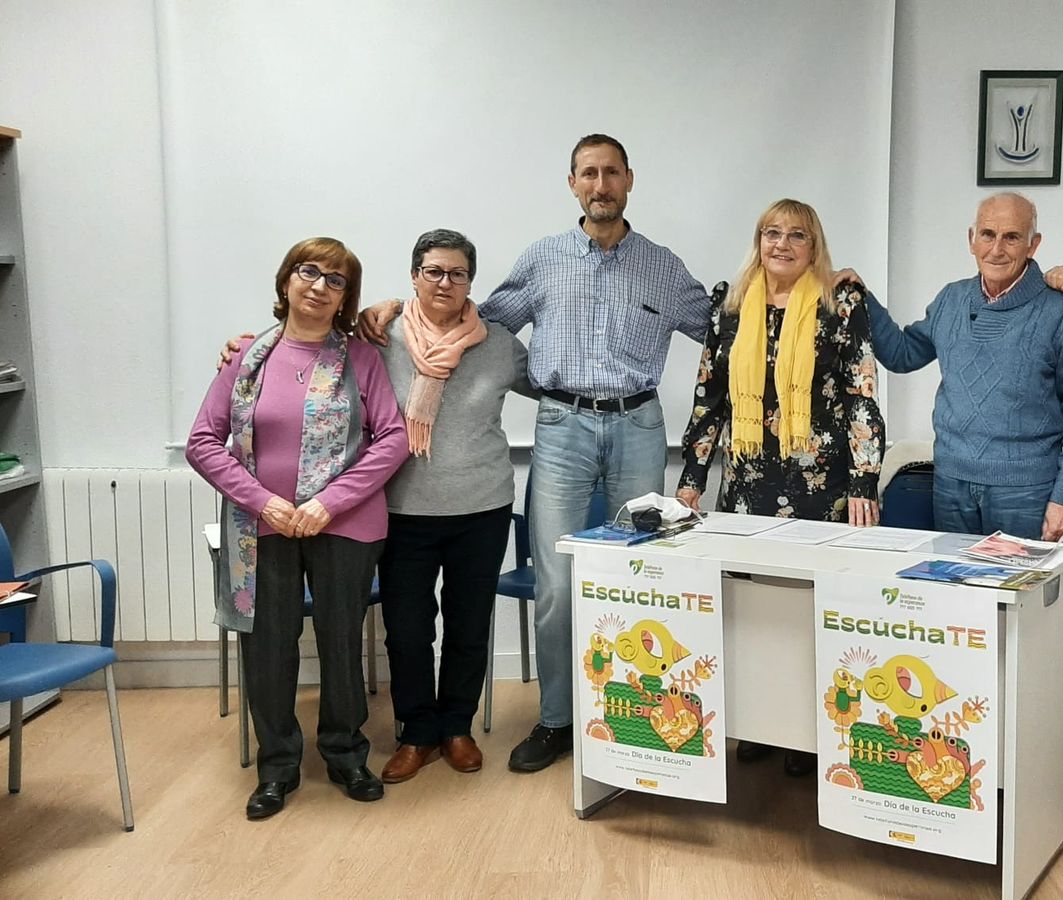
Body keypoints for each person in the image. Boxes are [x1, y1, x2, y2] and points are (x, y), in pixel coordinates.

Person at [358, 134, 713, 775]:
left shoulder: (661, 265)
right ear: (572, 183)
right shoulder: (544, 260)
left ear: (629, 180)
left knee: (640, 580)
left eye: (611, 173)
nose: (600, 185)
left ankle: (634, 721)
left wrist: (818, 295)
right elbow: (471, 322)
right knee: (555, 583)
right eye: (588, 174)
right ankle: (557, 721)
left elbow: (726, 328)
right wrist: (390, 307)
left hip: (638, 425)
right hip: (562, 427)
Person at [187, 237, 408, 820]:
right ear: (287, 280)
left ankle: (344, 754)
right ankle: (277, 766)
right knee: (269, 648)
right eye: (309, 271)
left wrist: (327, 503)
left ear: (345, 299)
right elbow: (203, 443)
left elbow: (393, 439)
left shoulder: (361, 358)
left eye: (335, 280)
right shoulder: (245, 357)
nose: (318, 285)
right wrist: (263, 502)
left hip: (345, 523)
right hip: (261, 528)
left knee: (340, 642)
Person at [675, 198, 885, 776]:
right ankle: (761, 723)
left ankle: (810, 736)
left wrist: (866, 479)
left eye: (797, 235)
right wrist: (691, 480)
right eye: (772, 233)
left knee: (813, 609)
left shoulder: (840, 303)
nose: (783, 245)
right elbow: (708, 398)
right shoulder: (731, 305)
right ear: (758, 239)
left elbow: (860, 392)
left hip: (823, 485)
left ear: (814, 245)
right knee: (751, 610)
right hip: (747, 483)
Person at [372, 229, 538, 784]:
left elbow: (557, 383)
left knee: (470, 624)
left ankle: (457, 727)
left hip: (482, 507)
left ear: (471, 281)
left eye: (458, 274)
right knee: (409, 629)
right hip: (402, 510)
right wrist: (243, 346)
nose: (446, 282)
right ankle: (417, 733)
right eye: (434, 271)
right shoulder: (381, 336)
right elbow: (313, 347)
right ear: (414, 276)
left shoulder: (498, 343)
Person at [853, 192, 1063, 541]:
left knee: (1019, 595)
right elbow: (902, 354)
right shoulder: (951, 300)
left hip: (1027, 493)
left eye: (1012, 237)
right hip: (950, 485)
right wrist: (860, 296)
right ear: (971, 240)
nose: (996, 249)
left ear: (1034, 245)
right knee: (958, 594)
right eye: (988, 234)